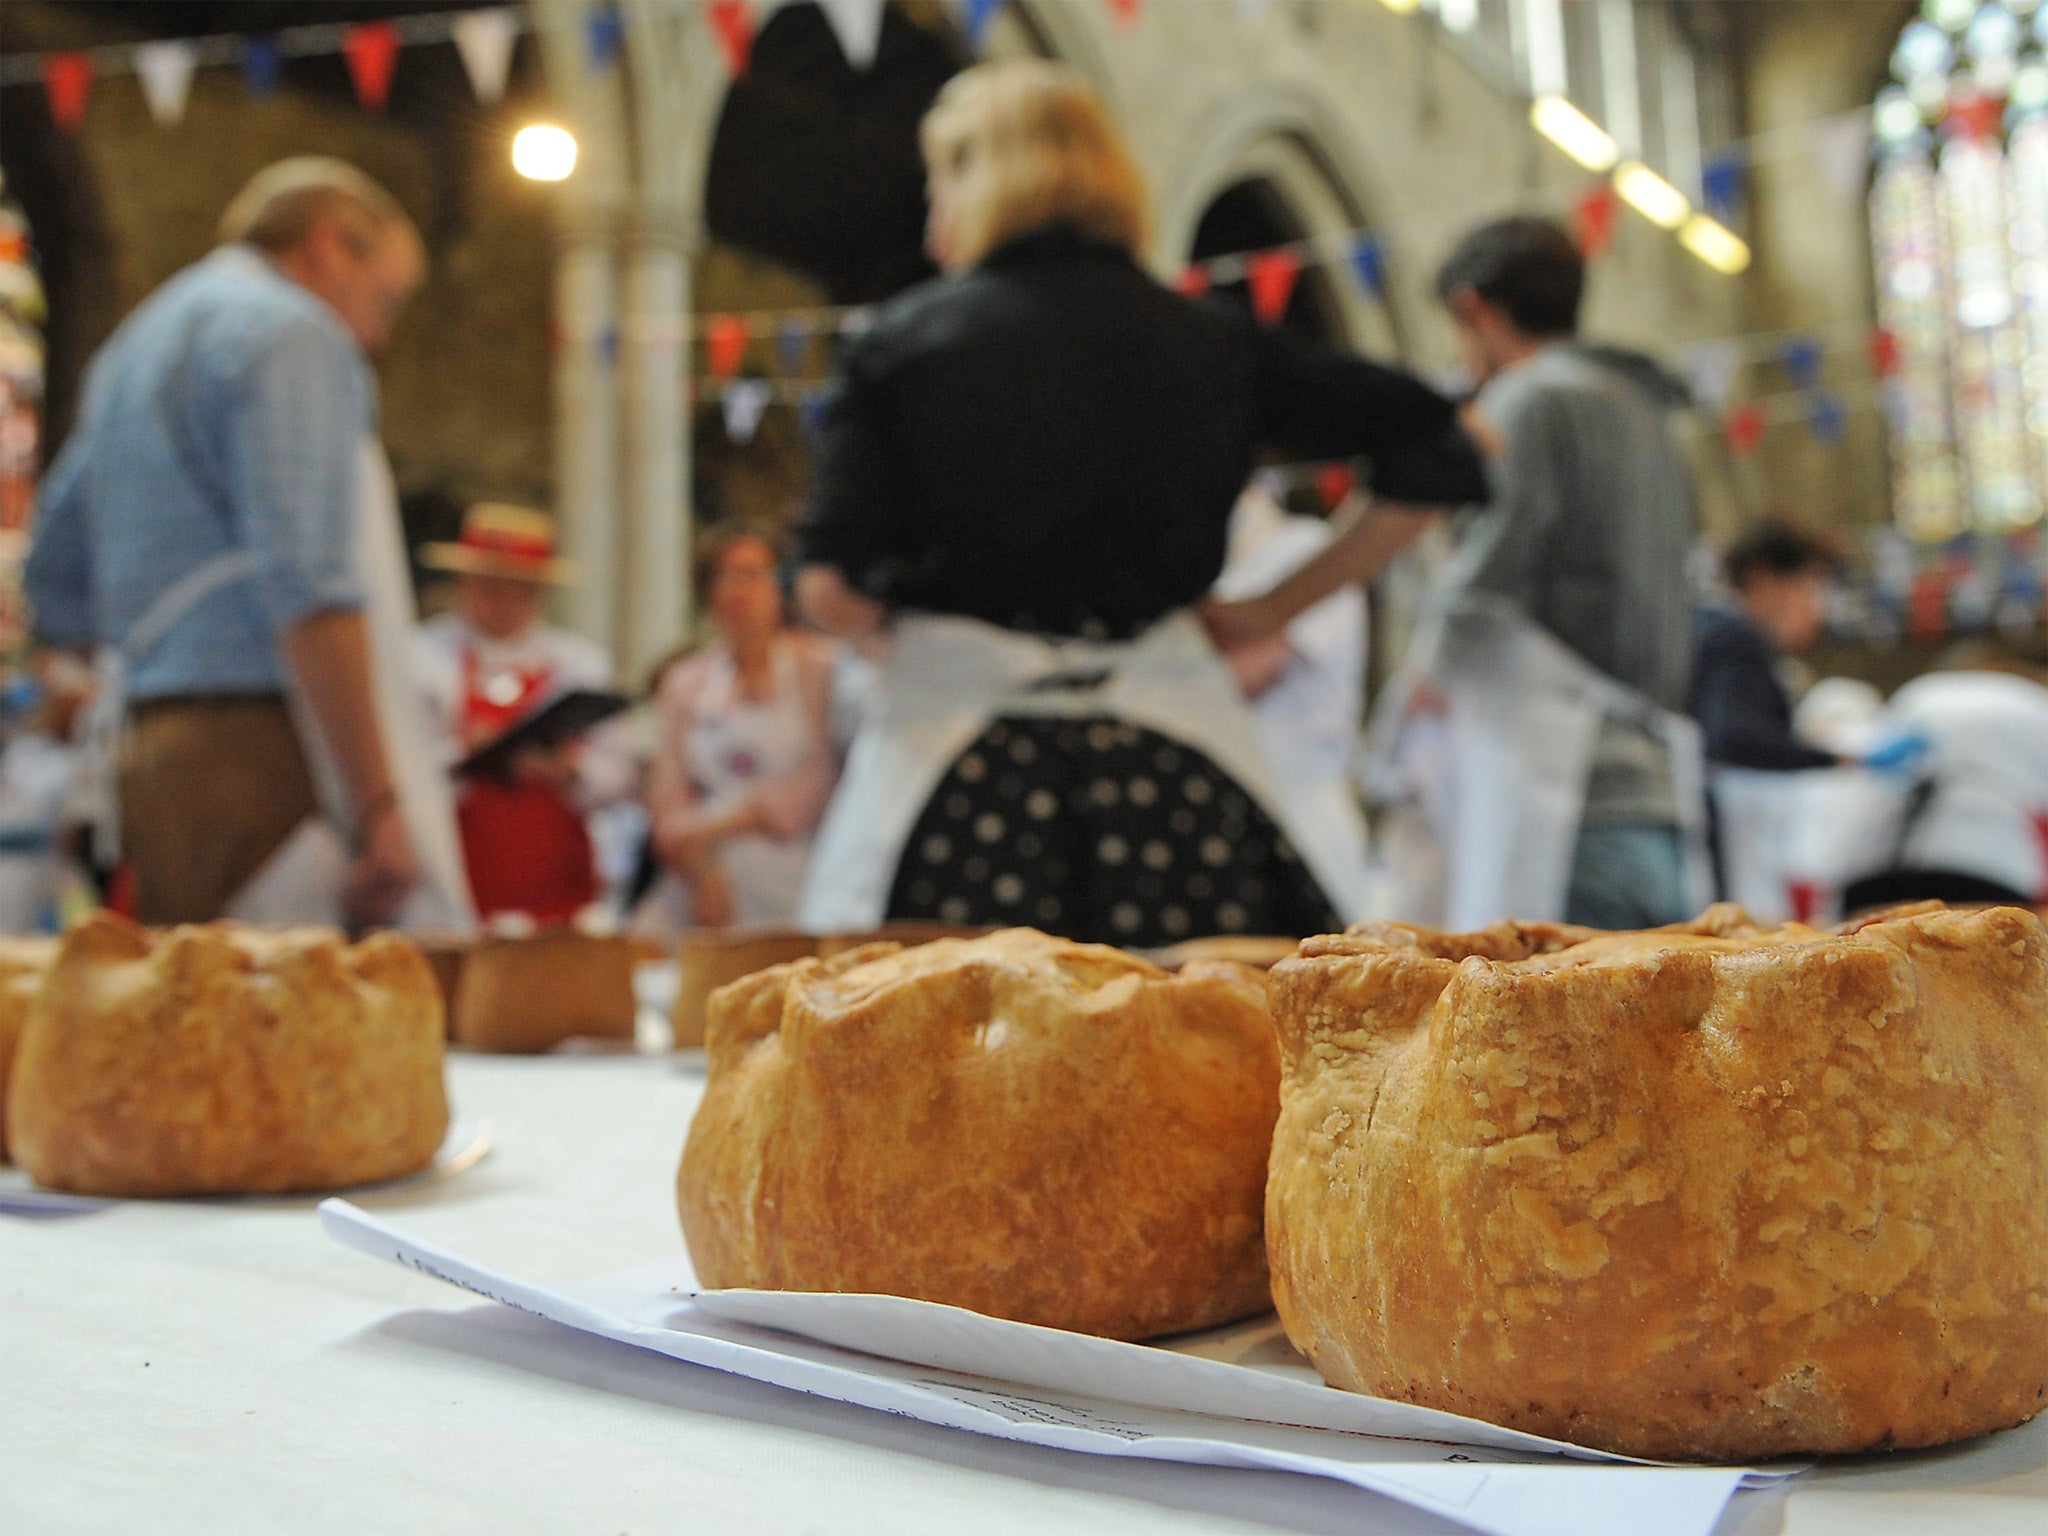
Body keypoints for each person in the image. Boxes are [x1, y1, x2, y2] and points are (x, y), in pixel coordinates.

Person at [793, 60, 1485, 944]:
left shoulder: (900, 347)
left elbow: (826, 588)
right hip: (1174, 787)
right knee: (1195, 1045)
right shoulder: (1211, 341)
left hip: (956, 794)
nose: (934, 227)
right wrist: (1270, 610)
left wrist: (912, 641)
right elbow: (1438, 450)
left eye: (940, 187)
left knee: (940, 1052)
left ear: (979, 176)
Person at [25, 158, 472, 931]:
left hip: (150, 740)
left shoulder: (132, 349)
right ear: (329, 246)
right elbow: (308, 581)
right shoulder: (291, 332)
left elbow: (52, 580)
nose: (375, 335)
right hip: (265, 743)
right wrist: (380, 807)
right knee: (280, 1025)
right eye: (384, 300)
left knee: (193, 1014)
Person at [1355, 217, 1703, 932]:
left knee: (1548, 1040)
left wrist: (1415, 697)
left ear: (1475, 310)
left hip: (1565, 803)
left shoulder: (1528, 400)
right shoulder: (1648, 414)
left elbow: (1482, 585)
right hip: (1655, 799)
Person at [413, 503, 626, 926]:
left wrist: (568, 771)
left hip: (558, 878)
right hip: (461, 874)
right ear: (466, 581)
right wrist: (465, 750)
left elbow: (620, 773)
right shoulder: (421, 658)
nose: (502, 600)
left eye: (517, 587)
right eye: (490, 584)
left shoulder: (579, 664)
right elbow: (404, 764)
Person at [639, 525, 843, 933]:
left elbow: (823, 778)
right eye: (725, 577)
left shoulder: (821, 669)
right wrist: (701, 868)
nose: (739, 592)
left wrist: (724, 824)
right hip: (705, 885)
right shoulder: (686, 682)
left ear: (779, 586)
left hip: (799, 879)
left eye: (753, 575)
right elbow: (667, 798)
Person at [1692, 523, 1841, 770]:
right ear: (1764, 581)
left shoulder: (1711, 628)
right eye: (1809, 588)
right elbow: (1735, 741)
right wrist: (1836, 760)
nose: (1817, 610)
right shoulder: (1734, 641)